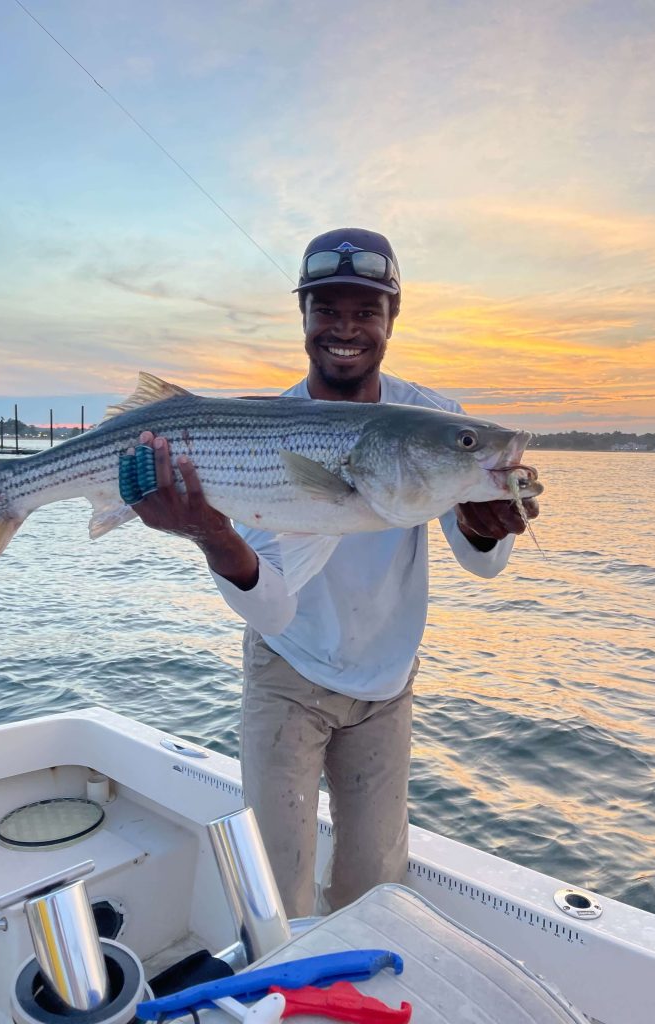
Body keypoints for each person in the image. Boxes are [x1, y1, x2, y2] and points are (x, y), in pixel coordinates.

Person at [130, 228, 539, 919]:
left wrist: (479, 522)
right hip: (287, 671)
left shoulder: (433, 423)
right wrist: (210, 533)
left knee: (376, 887)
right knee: (275, 890)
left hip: (387, 677)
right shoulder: (269, 433)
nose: (345, 328)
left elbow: (484, 562)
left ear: (391, 321)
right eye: (327, 310)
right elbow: (274, 611)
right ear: (305, 319)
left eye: (365, 312)